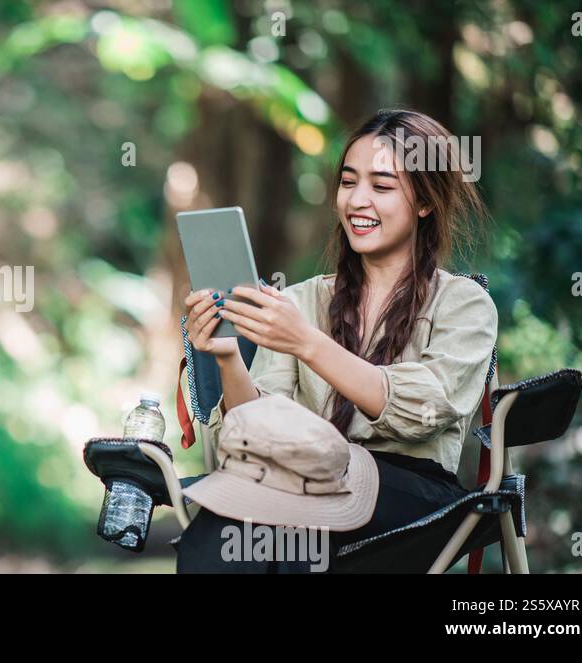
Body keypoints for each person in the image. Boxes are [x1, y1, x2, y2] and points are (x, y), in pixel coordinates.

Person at [176, 108, 497, 572]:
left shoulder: (464, 304)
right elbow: (259, 430)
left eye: (382, 186)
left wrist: (308, 344)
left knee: (293, 545)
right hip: (302, 476)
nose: (357, 200)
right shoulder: (301, 300)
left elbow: (423, 411)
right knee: (216, 537)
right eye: (349, 182)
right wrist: (228, 357)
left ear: (425, 203)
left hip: (412, 492)